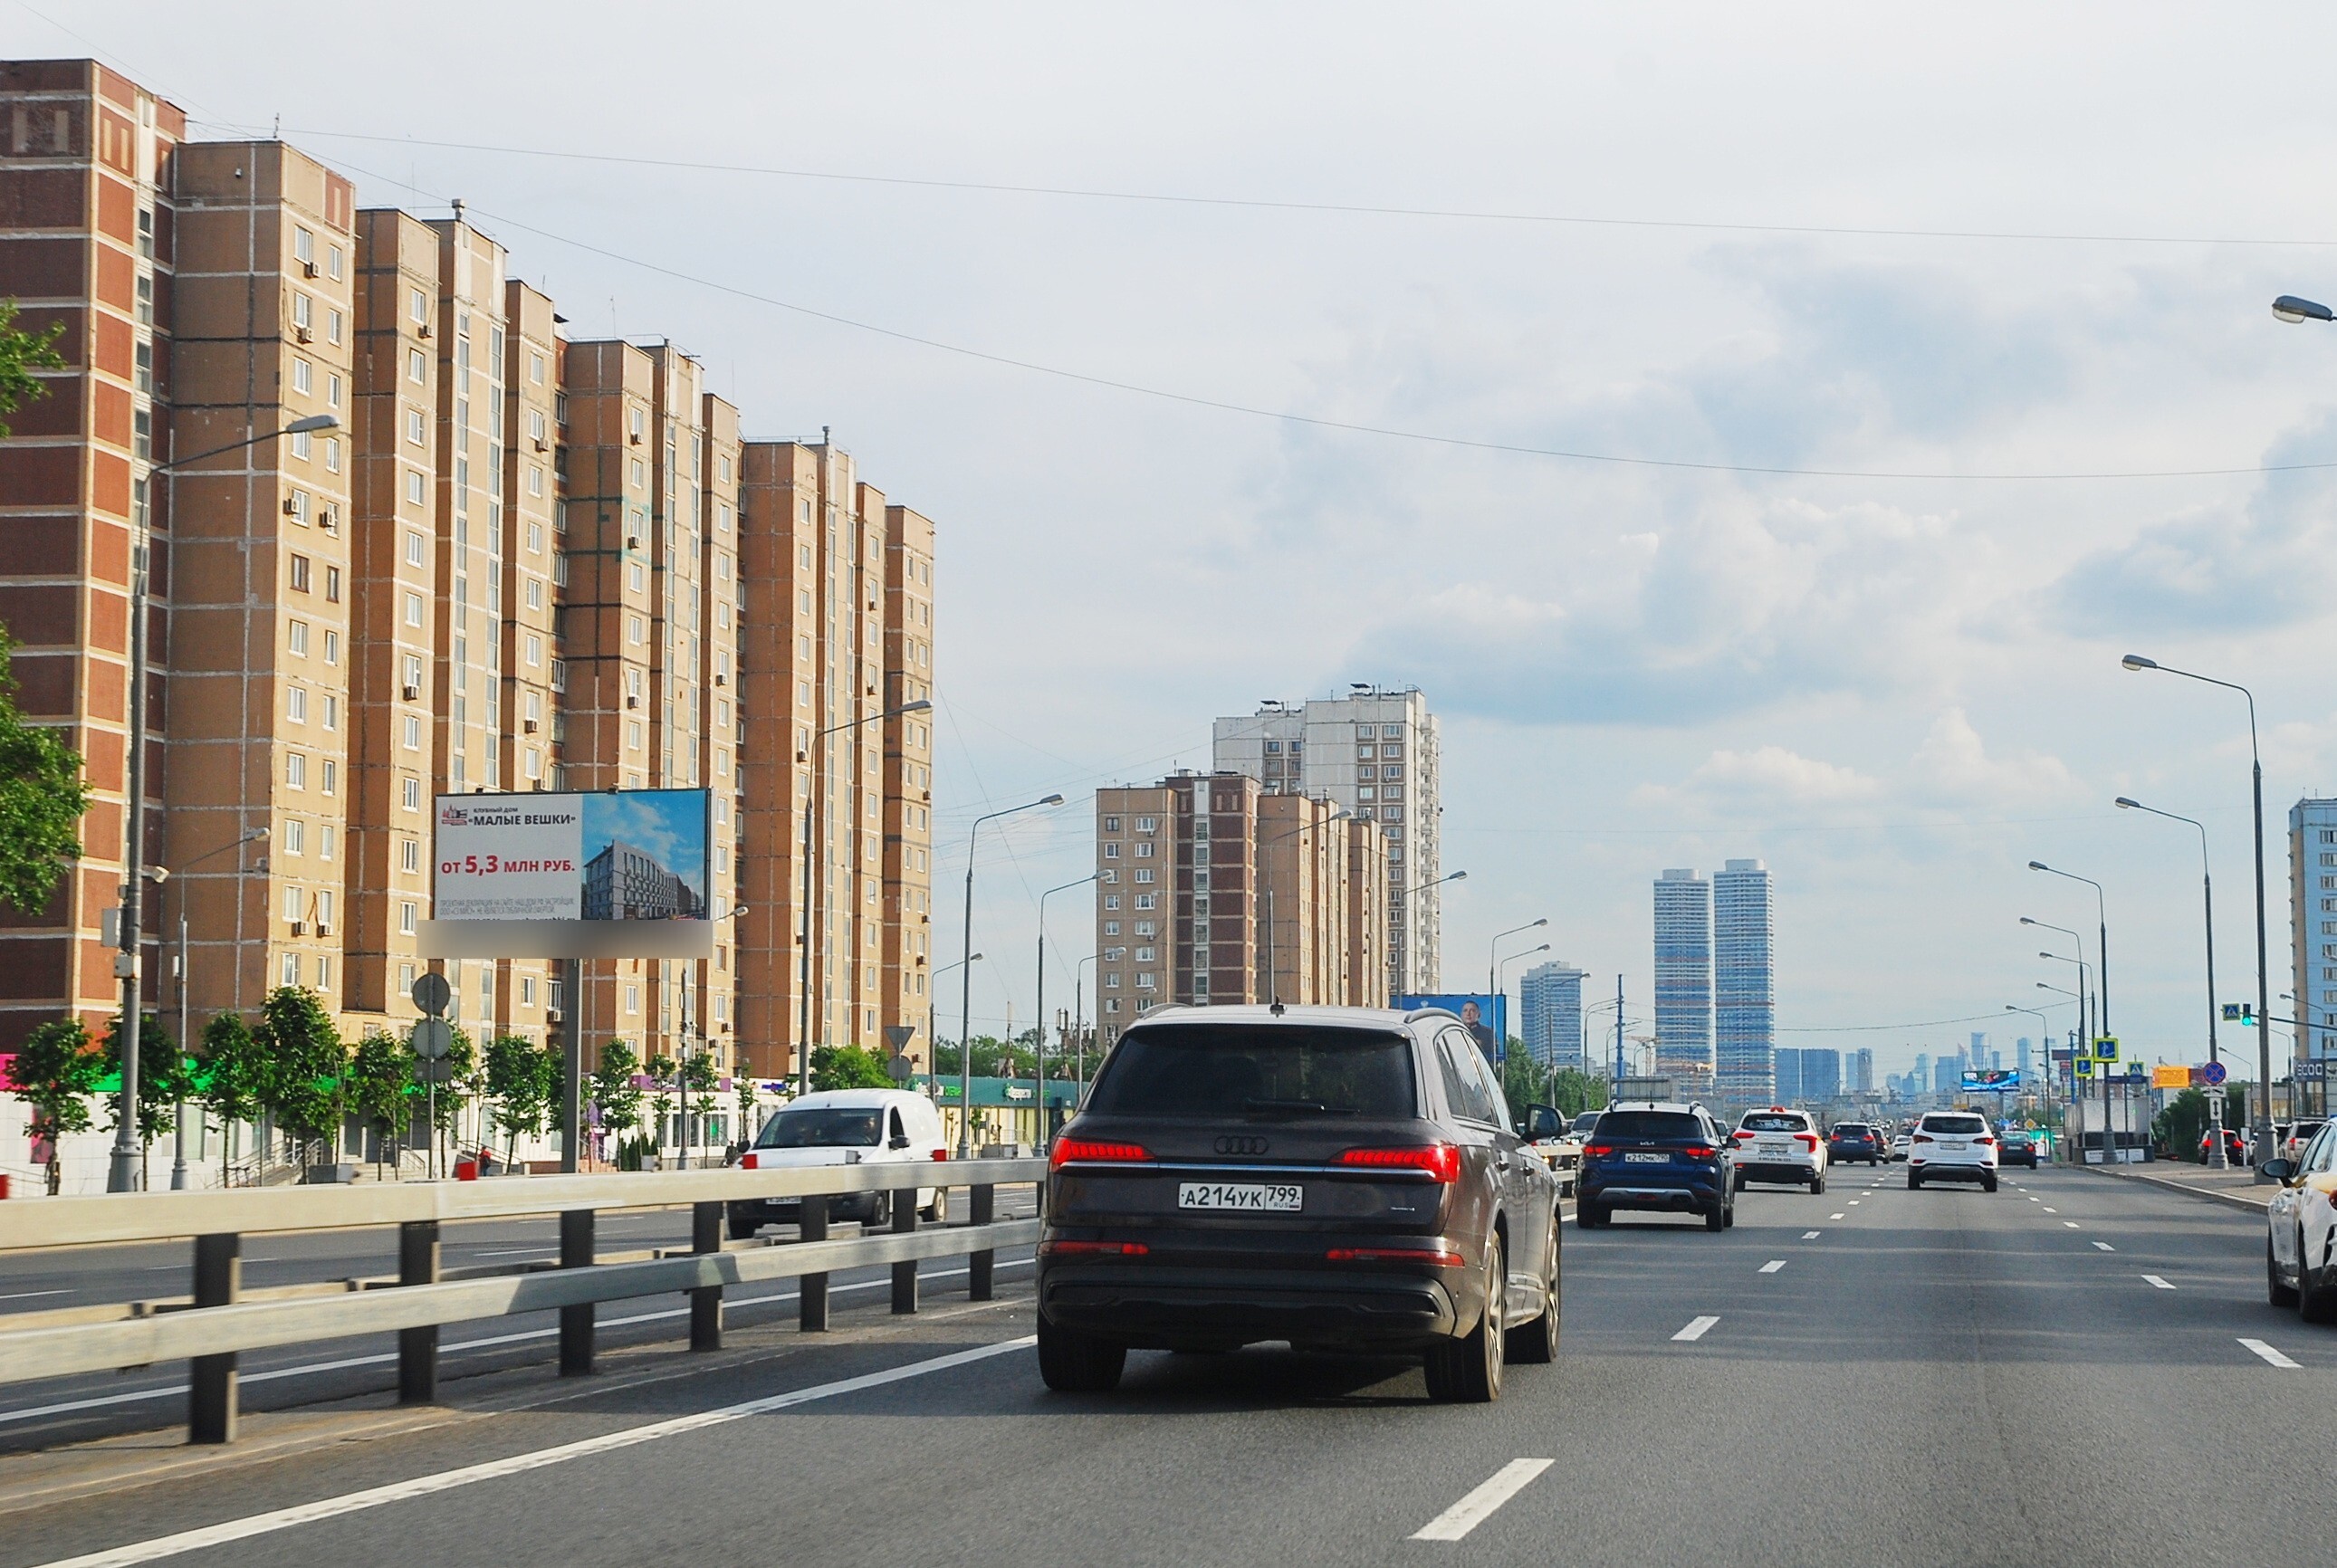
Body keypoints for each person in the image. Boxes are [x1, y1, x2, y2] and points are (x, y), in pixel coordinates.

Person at [1460, 999, 1499, 1065]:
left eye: (1472, 1011)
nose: (1468, 1014)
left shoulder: (1488, 1033)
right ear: (1461, 1014)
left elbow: (1494, 1058)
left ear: (1478, 1014)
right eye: (1465, 1011)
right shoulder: (1456, 1032)